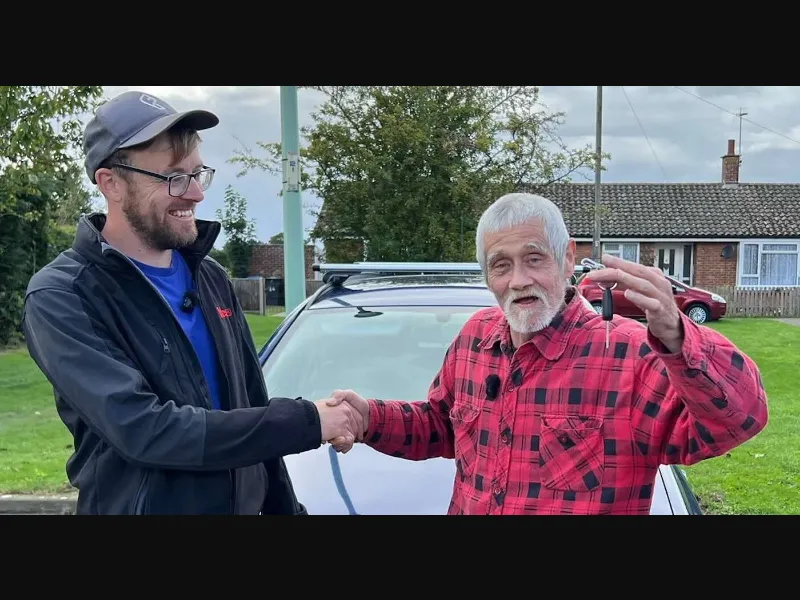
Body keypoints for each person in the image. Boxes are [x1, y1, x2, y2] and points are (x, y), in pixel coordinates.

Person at [21, 90, 361, 515]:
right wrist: (306, 421)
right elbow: (144, 429)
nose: (197, 194)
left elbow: (250, 402)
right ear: (111, 183)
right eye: (174, 177)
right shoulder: (63, 294)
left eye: (198, 174)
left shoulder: (210, 276)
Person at [327, 192, 769, 515]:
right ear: (487, 275)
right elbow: (442, 426)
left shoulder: (628, 355)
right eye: (501, 265)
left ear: (567, 258)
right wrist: (368, 417)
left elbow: (738, 420)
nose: (519, 279)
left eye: (534, 258)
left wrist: (676, 334)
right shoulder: (476, 338)